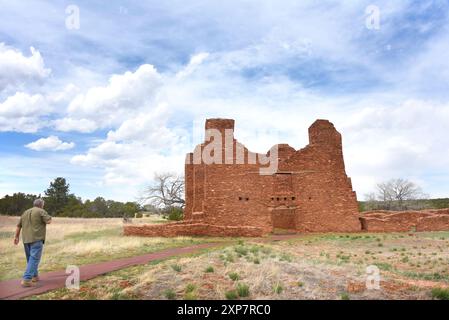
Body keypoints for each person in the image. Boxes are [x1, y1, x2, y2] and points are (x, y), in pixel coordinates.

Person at [14, 199, 52, 287]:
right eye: (43, 205)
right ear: (41, 205)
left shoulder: (25, 212)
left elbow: (18, 226)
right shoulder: (41, 211)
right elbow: (49, 221)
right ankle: (27, 279)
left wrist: (16, 237)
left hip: (26, 240)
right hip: (36, 239)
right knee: (34, 259)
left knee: (30, 259)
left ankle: (35, 276)